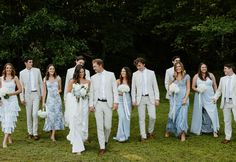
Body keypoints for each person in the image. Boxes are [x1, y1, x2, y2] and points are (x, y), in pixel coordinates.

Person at [89, 59, 118, 156]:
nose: (93, 68)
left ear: (100, 65)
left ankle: (105, 140)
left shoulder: (111, 75)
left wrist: (116, 102)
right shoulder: (93, 78)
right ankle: (102, 147)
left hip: (108, 104)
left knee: (108, 126)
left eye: (95, 66)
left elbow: (115, 90)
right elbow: (91, 92)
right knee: (99, 126)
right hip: (97, 104)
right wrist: (91, 105)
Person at [131, 57, 160, 142]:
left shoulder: (151, 73)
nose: (138, 67)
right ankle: (143, 135)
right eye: (137, 66)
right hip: (140, 99)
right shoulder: (135, 74)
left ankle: (150, 132)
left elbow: (155, 86)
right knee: (141, 118)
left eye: (139, 65)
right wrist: (134, 99)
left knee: (153, 117)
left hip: (150, 98)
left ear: (144, 64)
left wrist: (157, 98)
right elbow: (133, 88)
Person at [65, 65, 90, 154]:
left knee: (83, 123)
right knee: (76, 124)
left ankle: (82, 140)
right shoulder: (72, 81)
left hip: (84, 106)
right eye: (80, 72)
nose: (81, 74)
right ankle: (77, 146)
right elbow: (68, 93)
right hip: (75, 105)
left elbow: (89, 93)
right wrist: (76, 95)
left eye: (83, 72)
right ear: (77, 72)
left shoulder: (88, 81)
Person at [190, 63, 219, 137]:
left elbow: (215, 85)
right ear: (200, 68)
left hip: (210, 97)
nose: (204, 68)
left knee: (212, 112)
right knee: (199, 112)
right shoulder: (196, 76)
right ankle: (199, 129)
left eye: (205, 67)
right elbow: (193, 87)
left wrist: (216, 96)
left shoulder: (211, 75)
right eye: (202, 67)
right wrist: (199, 90)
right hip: (200, 96)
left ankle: (214, 130)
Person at [165, 61, 190, 141]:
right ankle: (169, 130)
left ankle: (182, 133)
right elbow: (169, 87)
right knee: (172, 115)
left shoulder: (186, 76)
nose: (178, 68)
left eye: (179, 66)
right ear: (175, 68)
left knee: (182, 116)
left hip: (183, 98)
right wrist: (173, 78)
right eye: (177, 67)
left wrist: (185, 98)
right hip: (174, 99)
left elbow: (188, 88)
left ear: (182, 67)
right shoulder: (173, 77)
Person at [19, 58, 43, 140]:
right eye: (29, 62)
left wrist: (42, 95)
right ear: (25, 63)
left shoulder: (37, 71)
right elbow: (21, 86)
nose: (31, 63)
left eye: (32, 62)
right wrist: (22, 98)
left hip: (36, 94)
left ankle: (35, 133)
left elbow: (40, 83)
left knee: (35, 114)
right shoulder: (22, 73)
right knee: (28, 114)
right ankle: (30, 132)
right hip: (27, 95)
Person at [0, 63, 22, 148]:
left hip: (12, 101)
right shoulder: (1, 79)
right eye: (7, 68)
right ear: (5, 69)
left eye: (10, 68)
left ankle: (4, 141)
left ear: (12, 69)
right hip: (4, 102)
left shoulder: (15, 78)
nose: (8, 69)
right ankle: (9, 138)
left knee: (10, 119)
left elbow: (20, 90)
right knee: (5, 120)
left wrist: (11, 94)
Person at [213, 63, 236, 144]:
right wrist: (215, 98)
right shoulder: (222, 79)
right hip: (225, 102)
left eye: (225, 68)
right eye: (224, 68)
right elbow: (219, 90)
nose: (224, 70)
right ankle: (227, 137)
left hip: (234, 102)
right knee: (227, 121)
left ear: (231, 69)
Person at [42, 64, 64, 142]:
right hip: (49, 100)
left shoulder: (58, 78)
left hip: (57, 100)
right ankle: (51, 132)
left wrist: (58, 91)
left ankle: (53, 135)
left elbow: (60, 89)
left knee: (56, 116)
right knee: (50, 116)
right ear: (48, 70)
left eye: (53, 69)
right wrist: (43, 102)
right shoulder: (45, 79)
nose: (52, 70)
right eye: (50, 69)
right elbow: (44, 92)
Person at [113, 67, 132, 142]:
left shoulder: (130, 81)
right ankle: (121, 136)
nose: (122, 72)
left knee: (127, 117)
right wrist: (119, 93)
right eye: (122, 71)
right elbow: (113, 91)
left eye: (124, 71)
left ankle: (126, 135)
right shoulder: (118, 81)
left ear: (127, 72)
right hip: (119, 101)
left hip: (128, 101)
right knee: (122, 117)